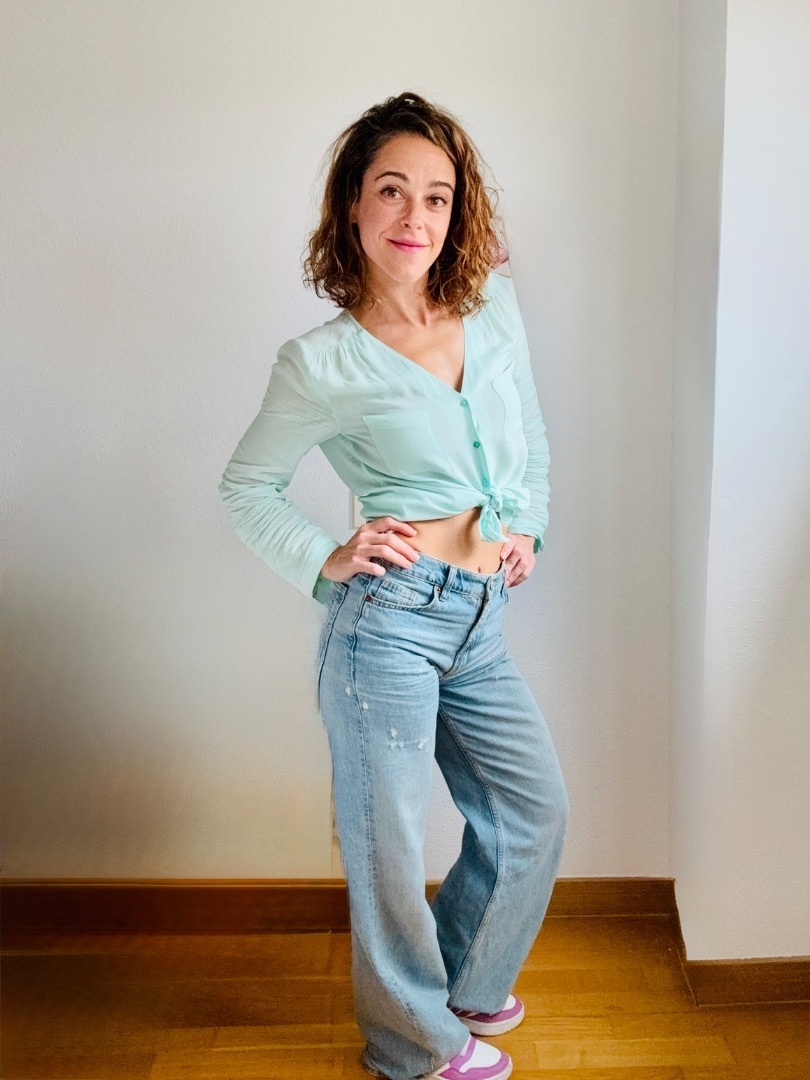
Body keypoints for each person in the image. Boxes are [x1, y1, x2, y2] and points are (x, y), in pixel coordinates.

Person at [219, 92, 569, 1080]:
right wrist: (325, 557)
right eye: (391, 191)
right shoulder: (319, 363)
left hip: (481, 617)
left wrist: (527, 522)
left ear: (459, 212)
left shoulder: (491, 308)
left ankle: (463, 983)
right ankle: (410, 1047)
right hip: (388, 627)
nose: (416, 216)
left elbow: (527, 428)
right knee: (389, 847)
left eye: (437, 196)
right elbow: (247, 486)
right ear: (353, 207)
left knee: (532, 809)